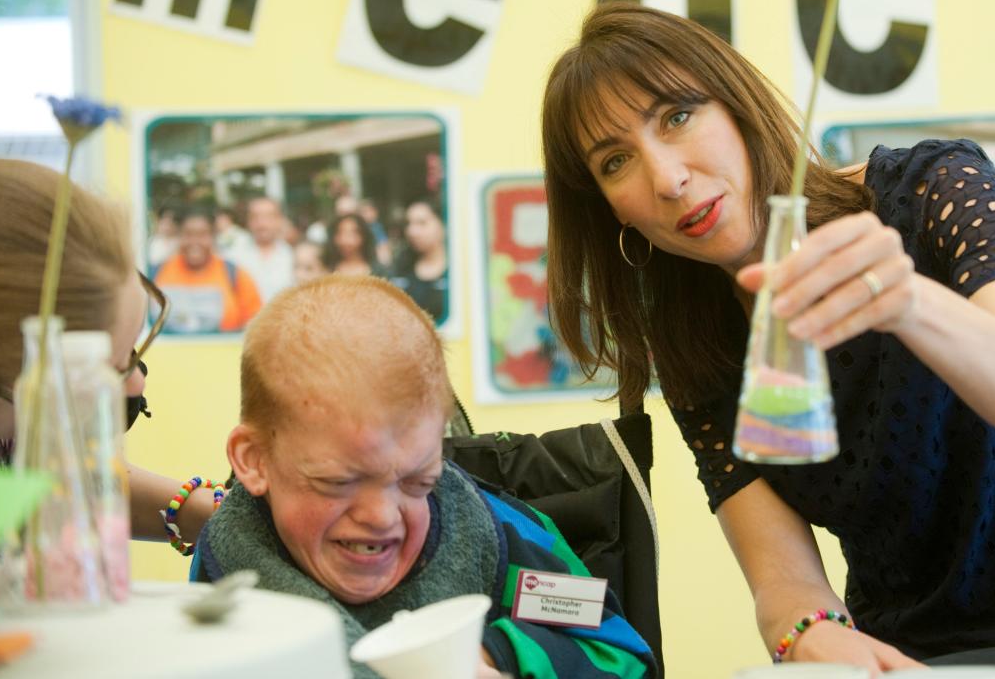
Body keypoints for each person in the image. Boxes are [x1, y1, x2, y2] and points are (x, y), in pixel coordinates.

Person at [540, 2, 995, 677]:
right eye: (615, 160)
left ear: (738, 106)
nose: (667, 178)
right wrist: (814, 638)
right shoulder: (701, 350)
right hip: (909, 657)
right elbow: (783, 583)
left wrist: (908, 301)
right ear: (606, 212)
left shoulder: (935, 190)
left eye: (678, 116)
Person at [193, 276, 655, 679]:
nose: (380, 517)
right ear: (254, 461)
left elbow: (620, 653)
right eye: (338, 482)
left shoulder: (497, 536)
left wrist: (497, 659)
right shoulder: (234, 559)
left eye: (417, 482)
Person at [0, 158, 219, 543]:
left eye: (134, 353)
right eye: (112, 367)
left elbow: (72, 484)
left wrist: (217, 516)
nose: (136, 383)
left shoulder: (9, 435)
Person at [153, 208, 263, 333]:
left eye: (202, 235)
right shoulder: (156, 273)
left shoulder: (236, 275)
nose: (195, 242)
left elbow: (257, 326)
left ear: (214, 237)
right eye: (188, 234)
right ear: (178, 236)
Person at [228, 196, 294, 303]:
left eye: (269, 217)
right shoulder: (233, 257)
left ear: (280, 220)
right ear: (248, 221)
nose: (262, 224)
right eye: (255, 217)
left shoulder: (292, 256)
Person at [392, 198, 448, 321]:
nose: (412, 232)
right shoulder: (400, 269)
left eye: (422, 223)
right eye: (408, 224)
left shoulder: (460, 271)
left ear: (443, 225)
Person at [322, 213, 388, 278]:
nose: (345, 240)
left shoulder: (378, 271)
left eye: (351, 234)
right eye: (340, 233)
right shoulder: (327, 269)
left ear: (363, 236)